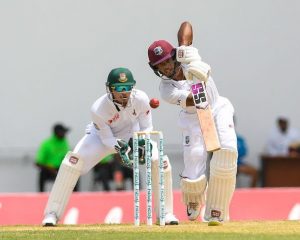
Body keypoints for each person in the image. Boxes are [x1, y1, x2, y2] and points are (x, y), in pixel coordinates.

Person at [42, 67, 178, 226]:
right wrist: (123, 148)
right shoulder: (98, 108)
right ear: (110, 89)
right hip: (101, 138)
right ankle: (52, 214)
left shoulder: (141, 99)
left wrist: (141, 143)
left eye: (127, 88)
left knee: (160, 161)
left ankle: (166, 213)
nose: (123, 93)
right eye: (119, 88)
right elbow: (106, 139)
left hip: (132, 134)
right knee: (72, 162)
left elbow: (147, 128)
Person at [147, 22, 238, 226]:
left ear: (173, 56)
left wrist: (184, 48)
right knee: (195, 157)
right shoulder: (166, 89)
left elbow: (186, 25)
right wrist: (196, 76)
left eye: (166, 61)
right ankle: (194, 199)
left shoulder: (186, 57)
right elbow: (195, 100)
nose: (166, 67)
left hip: (218, 108)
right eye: (160, 65)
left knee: (227, 153)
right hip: (193, 117)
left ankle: (217, 210)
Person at [35, 123, 72, 192]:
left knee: (74, 174)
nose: (64, 134)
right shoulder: (47, 144)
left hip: (61, 169)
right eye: (63, 132)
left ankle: (75, 195)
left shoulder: (64, 142)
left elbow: (66, 157)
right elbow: (38, 163)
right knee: (42, 173)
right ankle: (41, 195)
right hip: (48, 170)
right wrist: (50, 168)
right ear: (57, 132)